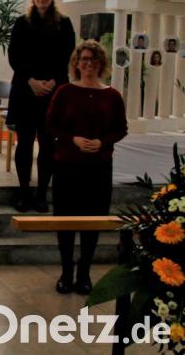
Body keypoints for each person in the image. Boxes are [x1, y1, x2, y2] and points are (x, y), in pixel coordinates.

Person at [46, 40, 127, 295]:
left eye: (93, 60)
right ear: (76, 64)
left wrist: (102, 142)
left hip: (98, 167)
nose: (88, 64)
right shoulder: (65, 92)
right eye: (83, 59)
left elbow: (120, 129)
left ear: (101, 63)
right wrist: (72, 139)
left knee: (93, 221)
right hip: (67, 165)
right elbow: (51, 125)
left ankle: (84, 273)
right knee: (66, 220)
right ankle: (66, 271)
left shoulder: (112, 95)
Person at [7, 0, 75, 213]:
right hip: (26, 90)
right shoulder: (21, 23)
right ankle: (24, 193)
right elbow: (14, 57)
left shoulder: (64, 23)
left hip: (53, 91)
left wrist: (52, 82)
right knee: (24, 143)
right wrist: (31, 81)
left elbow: (67, 57)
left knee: (48, 144)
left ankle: (42, 194)